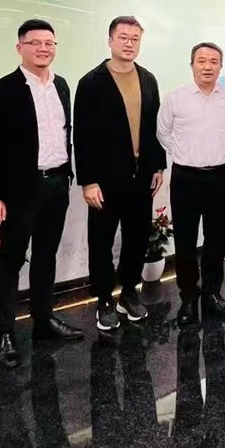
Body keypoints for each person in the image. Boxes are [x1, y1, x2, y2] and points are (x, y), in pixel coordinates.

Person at [0, 19, 82, 368]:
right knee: (10, 261)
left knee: (45, 256)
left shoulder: (61, 85)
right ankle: (5, 332)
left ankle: (43, 320)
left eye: (49, 43)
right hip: (20, 189)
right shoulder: (2, 90)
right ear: (19, 47)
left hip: (56, 183)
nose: (43, 48)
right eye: (35, 42)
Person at [74, 16, 166, 334]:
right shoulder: (91, 82)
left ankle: (129, 292)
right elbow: (82, 135)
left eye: (135, 38)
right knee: (101, 241)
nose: (129, 43)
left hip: (141, 176)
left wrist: (158, 166)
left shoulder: (148, 79)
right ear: (110, 40)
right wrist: (88, 180)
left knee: (137, 238)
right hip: (104, 180)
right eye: (123, 37)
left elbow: (155, 128)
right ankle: (104, 299)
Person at [158, 42, 225, 326]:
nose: (207, 66)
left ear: (221, 66)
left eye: (213, 61)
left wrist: (213, 155)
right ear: (192, 64)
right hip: (186, 178)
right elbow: (163, 133)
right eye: (202, 61)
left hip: (219, 176)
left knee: (216, 239)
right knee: (185, 240)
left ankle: (212, 293)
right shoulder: (175, 98)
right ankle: (188, 297)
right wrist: (186, 155)